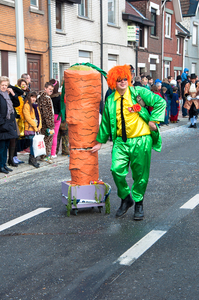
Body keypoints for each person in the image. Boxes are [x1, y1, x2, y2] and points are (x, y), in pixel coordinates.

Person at [91, 65, 166, 220]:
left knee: (140, 175)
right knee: (116, 169)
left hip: (141, 139)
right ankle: (126, 198)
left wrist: (154, 120)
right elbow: (105, 122)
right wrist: (100, 141)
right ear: (114, 82)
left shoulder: (139, 93)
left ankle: (139, 203)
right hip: (120, 142)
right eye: (119, 80)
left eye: (125, 78)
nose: (123, 82)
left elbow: (160, 102)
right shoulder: (111, 100)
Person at [0, 76, 19, 174]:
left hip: (9, 124)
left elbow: (17, 103)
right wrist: (2, 124)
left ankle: (4, 164)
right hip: (2, 125)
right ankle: (0, 165)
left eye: (5, 85)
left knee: (6, 145)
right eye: (2, 85)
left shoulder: (7, 95)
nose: (4, 87)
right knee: (2, 147)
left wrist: (12, 93)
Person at [23, 92, 42, 168]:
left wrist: (39, 126)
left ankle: (32, 159)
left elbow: (39, 117)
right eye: (32, 97)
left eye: (35, 97)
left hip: (36, 128)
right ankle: (33, 160)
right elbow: (28, 118)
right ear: (29, 97)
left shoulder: (36, 106)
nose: (33, 99)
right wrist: (35, 126)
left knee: (34, 145)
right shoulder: (26, 105)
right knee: (32, 145)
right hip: (30, 128)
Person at [37, 82, 54, 163]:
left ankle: (45, 155)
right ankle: (45, 156)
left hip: (44, 122)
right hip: (46, 123)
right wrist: (50, 125)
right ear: (45, 88)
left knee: (46, 139)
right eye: (50, 89)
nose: (51, 91)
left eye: (52, 90)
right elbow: (47, 113)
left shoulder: (43, 96)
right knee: (47, 140)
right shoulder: (45, 98)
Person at [49, 79, 61, 158]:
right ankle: (53, 153)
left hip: (49, 117)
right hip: (57, 117)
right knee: (54, 135)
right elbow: (61, 108)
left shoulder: (48, 96)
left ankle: (47, 152)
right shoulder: (59, 97)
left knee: (48, 135)